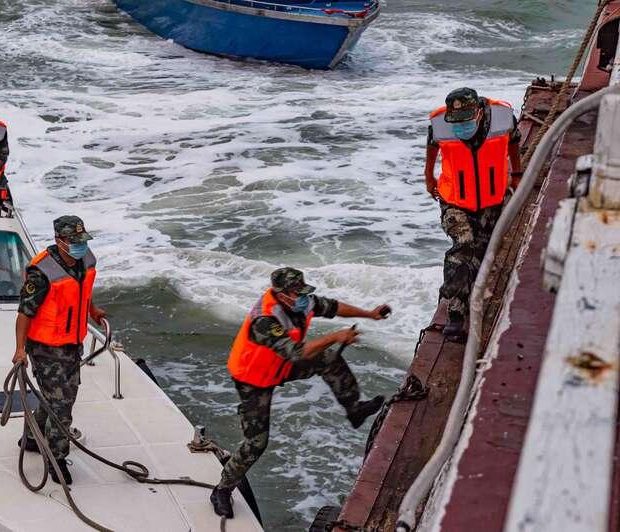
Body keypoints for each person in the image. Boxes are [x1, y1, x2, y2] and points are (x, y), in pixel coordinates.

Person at [210, 267, 389, 518]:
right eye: (297, 293)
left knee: (329, 360)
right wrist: (336, 336)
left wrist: (370, 314)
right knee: (256, 444)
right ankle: (222, 490)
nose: (303, 297)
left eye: (304, 292)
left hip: (279, 367)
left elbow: (333, 307)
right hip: (254, 380)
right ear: (282, 295)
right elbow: (296, 352)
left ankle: (354, 409)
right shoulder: (265, 320)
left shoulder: (300, 303)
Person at [12, 215, 106, 485]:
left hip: (71, 343)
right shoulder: (42, 273)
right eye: (74, 242)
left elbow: (81, 292)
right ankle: (56, 457)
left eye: (82, 240)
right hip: (45, 348)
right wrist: (20, 350)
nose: (80, 246)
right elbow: (24, 314)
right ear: (59, 241)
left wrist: (93, 311)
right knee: (62, 404)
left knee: (58, 398)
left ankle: (31, 439)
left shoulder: (85, 260)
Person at [424, 87, 523, 337]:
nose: (460, 126)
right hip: (454, 199)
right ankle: (455, 311)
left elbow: (514, 143)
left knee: (481, 251)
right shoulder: (440, 123)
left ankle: (470, 297)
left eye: (465, 120)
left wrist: (518, 175)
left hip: (492, 200)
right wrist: (429, 179)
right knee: (463, 245)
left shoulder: (502, 117)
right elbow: (432, 151)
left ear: (478, 111)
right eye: (455, 121)